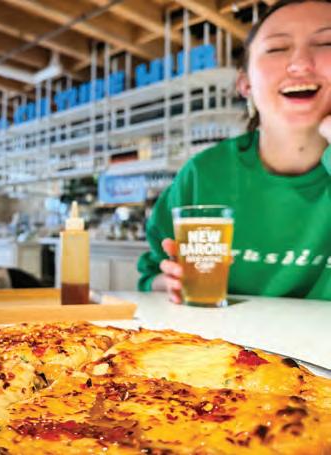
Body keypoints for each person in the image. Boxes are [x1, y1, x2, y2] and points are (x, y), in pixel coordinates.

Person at [138, 0, 331, 303]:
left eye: (326, 44)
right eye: (277, 48)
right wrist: (171, 281)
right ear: (245, 83)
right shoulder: (203, 174)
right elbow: (150, 274)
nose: (300, 63)